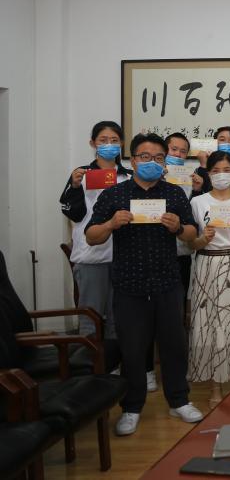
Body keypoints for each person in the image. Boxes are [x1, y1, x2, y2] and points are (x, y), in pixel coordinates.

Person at [85, 133, 202, 436]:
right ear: (133, 160)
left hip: (167, 282)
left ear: (165, 163)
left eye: (159, 158)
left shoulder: (174, 194)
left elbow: (192, 234)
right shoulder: (114, 194)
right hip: (129, 285)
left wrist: (179, 228)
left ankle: (179, 400)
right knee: (133, 349)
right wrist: (111, 224)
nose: (152, 162)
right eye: (145, 157)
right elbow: (91, 236)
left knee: (174, 346)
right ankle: (132, 407)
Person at [59, 121, 134, 371]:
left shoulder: (128, 176)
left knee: (117, 318)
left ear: (121, 144)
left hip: (123, 257)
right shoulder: (81, 175)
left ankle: (112, 368)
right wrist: (75, 186)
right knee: (90, 318)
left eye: (114, 140)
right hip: (91, 256)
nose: (109, 145)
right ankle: (86, 369)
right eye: (103, 140)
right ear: (93, 143)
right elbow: (73, 213)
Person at [187, 151, 230, 407]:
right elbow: (191, 244)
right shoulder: (198, 202)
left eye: (226, 170)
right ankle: (215, 387)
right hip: (207, 264)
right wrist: (202, 239)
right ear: (208, 173)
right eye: (215, 170)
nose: (221, 175)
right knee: (209, 325)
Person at [165, 133, 195, 296]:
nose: (177, 154)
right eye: (174, 149)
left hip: (181, 251)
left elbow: (194, 213)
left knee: (180, 297)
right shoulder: (151, 176)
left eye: (183, 151)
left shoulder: (190, 178)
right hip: (154, 252)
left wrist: (197, 189)